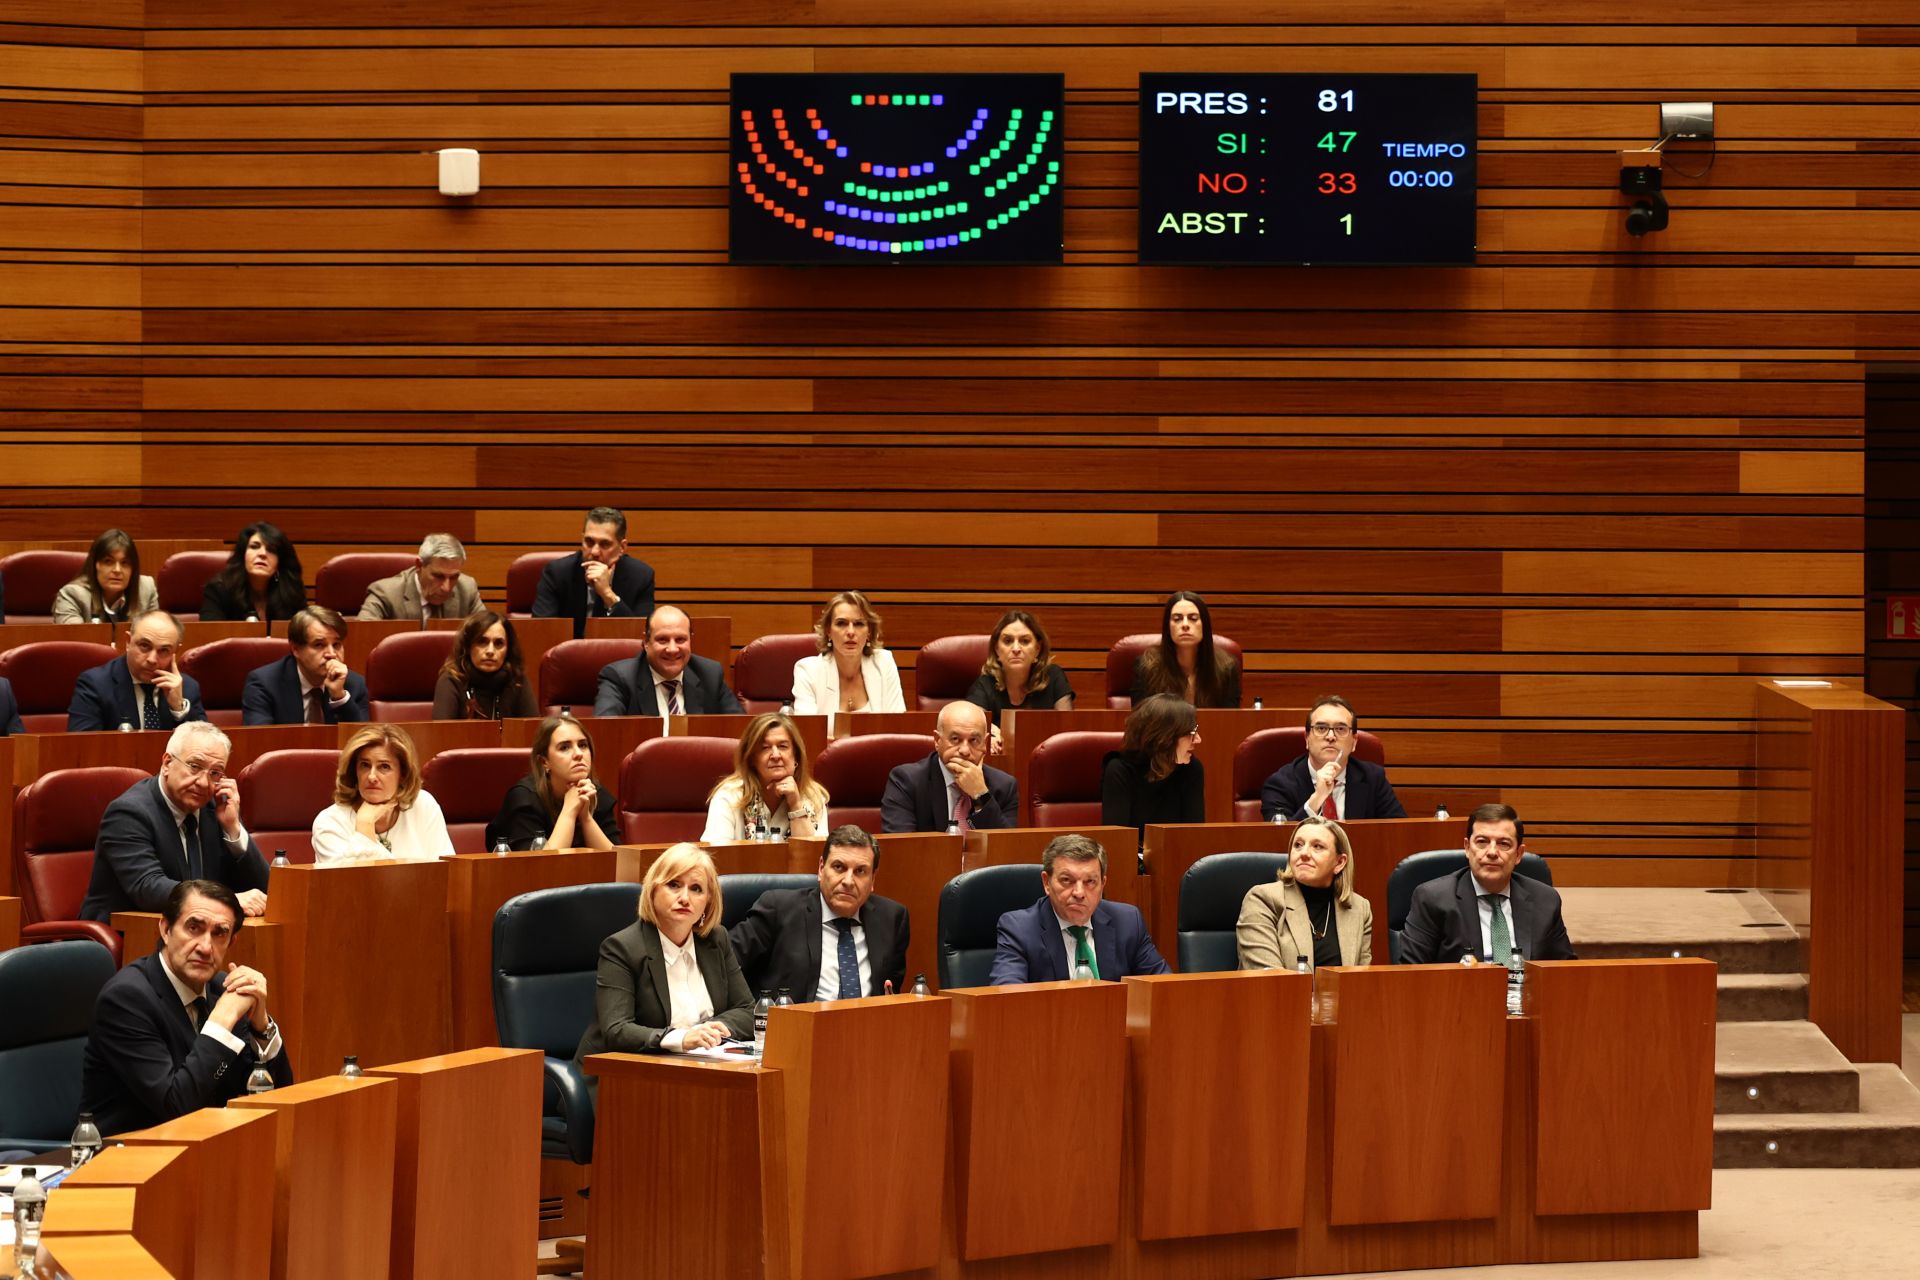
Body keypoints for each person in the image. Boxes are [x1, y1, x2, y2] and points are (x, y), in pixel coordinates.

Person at [79, 879, 293, 1136]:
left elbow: (279, 1096)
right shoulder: (126, 999)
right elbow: (176, 1107)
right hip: (130, 1152)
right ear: (165, 929)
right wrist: (221, 1022)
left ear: (231, 942)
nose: (205, 947)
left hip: (208, 1146)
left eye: (219, 933)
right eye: (194, 928)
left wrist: (261, 1027)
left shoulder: (221, 988)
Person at [573, 843, 754, 1075]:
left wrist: (711, 1031)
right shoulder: (622, 948)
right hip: (624, 1074)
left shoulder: (716, 939)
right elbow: (617, 1030)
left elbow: (747, 1010)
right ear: (653, 890)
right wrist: (681, 1038)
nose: (685, 898)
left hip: (698, 1067)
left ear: (709, 901)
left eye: (696, 889)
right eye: (674, 885)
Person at [79, 721, 270, 922]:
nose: (204, 782)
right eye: (194, 767)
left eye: (215, 773)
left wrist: (233, 829)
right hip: (128, 932)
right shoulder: (128, 813)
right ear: (167, 763)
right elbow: (148, 888)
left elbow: (266, 890)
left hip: (197, 931)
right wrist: (225, 901)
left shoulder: (216, 809)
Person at [729, 825, 910, 999]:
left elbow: (891, 989)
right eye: (839, 867)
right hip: (796, 1019)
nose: (848, 881)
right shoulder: (778, 909)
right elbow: (722, 964)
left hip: (866, 1020)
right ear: (821, 869)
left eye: (860, 871)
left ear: (872, 880)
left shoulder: (892, 919)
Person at [1397, 803, 1577, 964]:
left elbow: (1565, 971)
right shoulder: (1433, 899)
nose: (1492, 852)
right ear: (1467, 848)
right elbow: (1411, 972)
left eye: (1503, 844)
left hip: (1526, 990)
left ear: (1519, 854)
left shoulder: (1545, 900)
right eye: (1482, 842)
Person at [990, 833, 1168, 984]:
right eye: (1067, 880)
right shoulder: (1019, 929)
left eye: (1090, 881)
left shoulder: (1128, 921)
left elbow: (1163, 986)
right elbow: (1008, 997)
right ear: (1046, 882)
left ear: (1103, 883)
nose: (1079, 893)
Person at [1236, 816, 1373, 972]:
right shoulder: (1262, 900)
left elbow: (1361, 981)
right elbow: (1270, 980)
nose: (1304, 853)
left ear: (1339, 862)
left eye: (1317, 846)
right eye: (1298, 845)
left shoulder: (1359, 908)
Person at [310, 724, 454, 864]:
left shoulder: (423, 805)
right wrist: (365, 825)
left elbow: (447, 871)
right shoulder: (330, 823)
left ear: (403, 774)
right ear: (354, 771)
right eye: (365, 765)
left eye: (384, 767)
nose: (372, 777)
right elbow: (355, 879)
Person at [1260, 694, 1406, 822]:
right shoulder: (1279, 784)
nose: (1330, 736)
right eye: (1321, 728)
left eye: (1340, 729)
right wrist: (1317, 798)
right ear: (1307, 739)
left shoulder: (1373, 779)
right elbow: (1280, 839)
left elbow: (1399, 832)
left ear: (1354, 742)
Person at [879, 700, 1018, 833]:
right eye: (955, 739)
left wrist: (981, 795)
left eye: (974, 740)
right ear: (937, 740)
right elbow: (903, 845)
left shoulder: (1004, 786)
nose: (965, 750)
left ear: (985, 743)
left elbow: (1005, 846)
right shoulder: (906, 782)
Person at [485, 714, 618, 852]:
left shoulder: (596, 794)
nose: (578, 754)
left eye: (583, 745)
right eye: (564, 747)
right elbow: (539, 864)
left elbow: (618, 861)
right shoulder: (525, 799)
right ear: (544, 762)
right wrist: (569, 811)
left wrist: (585, 818)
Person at [68, 610, 207, 732]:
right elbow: (83, 745)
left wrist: (178, 709)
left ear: (175, 651)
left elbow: (204, 746)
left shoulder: (187, 688)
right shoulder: (95, 684)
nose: (152, 659)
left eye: (164, 650)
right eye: (144, 646)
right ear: (128, 641)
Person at [594, 605, 743, 717]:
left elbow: (742, 730)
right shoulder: (620, 678)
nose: (672, 649)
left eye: (680, 639)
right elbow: (606, 730)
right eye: (662, 639)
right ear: (646, 642)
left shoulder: (710, 675)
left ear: (690, 640)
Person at [702, 712, 828, 843]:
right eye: (765, 748)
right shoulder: (729, 796)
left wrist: (796, 805)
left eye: (783, 746)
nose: (775, 755)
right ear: (752, 759)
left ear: (796, 755)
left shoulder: (814, 798)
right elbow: (715, 852)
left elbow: (813, 853)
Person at [532, 506, 656, 639]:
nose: (595, 552)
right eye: (589, 542)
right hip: (568, 651)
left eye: (605, 544)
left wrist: (608, 594)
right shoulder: (557, 573)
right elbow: (541, 632)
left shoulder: (641, 576)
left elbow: (642, 637)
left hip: (618, 651)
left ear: (622, 547)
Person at [1101, 693, 1205, 845]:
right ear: (1164, 738)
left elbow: (1194, 837)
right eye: (1191, 733)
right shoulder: (1119, 771)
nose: (1198, 739)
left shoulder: (1191, 769)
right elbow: (1117, 842)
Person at [240, 606, 370, 726]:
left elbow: (362, 738)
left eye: (336, 645)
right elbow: (260, 739)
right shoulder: (264, 684)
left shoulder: (355, 685)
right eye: (319, 645)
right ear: (296, 649)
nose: (331, 654)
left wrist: (339, 697)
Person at [790, 590, 905, 715]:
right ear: (828, 631)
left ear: (869, 632)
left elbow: (898, 722)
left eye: (859, 624)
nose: (851, 632)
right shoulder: (808, 672)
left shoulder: (884, 663)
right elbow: (808, 726)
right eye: (841, 623)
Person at [963, 609, 1076, 727]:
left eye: (1025, 641)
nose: (1016, 649)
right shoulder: (985, 683)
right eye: (1008, 641)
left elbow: (1067, 728)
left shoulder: (1053, 677)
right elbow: (971, 728)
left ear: (1037, 649)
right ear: (997, 649)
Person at [1130, 590, 1241, 709]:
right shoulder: (1147, 667)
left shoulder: (1226, 669)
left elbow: (1230, 717)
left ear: (1204, 626)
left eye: (1193, 618)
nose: (1185, 625)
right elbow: (1141, 716)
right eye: (1177, 619)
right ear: (1168, 628)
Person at [432, 609, 539, 720]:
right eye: (482, 642)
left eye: (498, 643)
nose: (490, 651)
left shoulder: (517, 680)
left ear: (508, 650)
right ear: (468, 647)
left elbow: (533, 728)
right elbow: (441, 730)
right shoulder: (452, 680)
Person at [357, 532, 482, 621]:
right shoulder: (385, 594)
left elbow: (487, 629)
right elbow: (363, 636)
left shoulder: (467, 589)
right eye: (438, 576)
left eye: (454, 577)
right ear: (419, 565)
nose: (446, 588)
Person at [200, 522, 306, 622]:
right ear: (243, 555)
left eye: (271, 550)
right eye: (254, 547)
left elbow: (303, 632)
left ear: (280, 562)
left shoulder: (291, 594)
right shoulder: (219, 591)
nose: (262, 554)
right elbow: (210, 632)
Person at [53, 528, 159, 624]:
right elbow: (75, 638)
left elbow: (156, 633)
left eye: (125, 563)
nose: (117, 570)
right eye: (108, 561)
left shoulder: (146, 590)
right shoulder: (73, 595)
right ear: (95, 565)